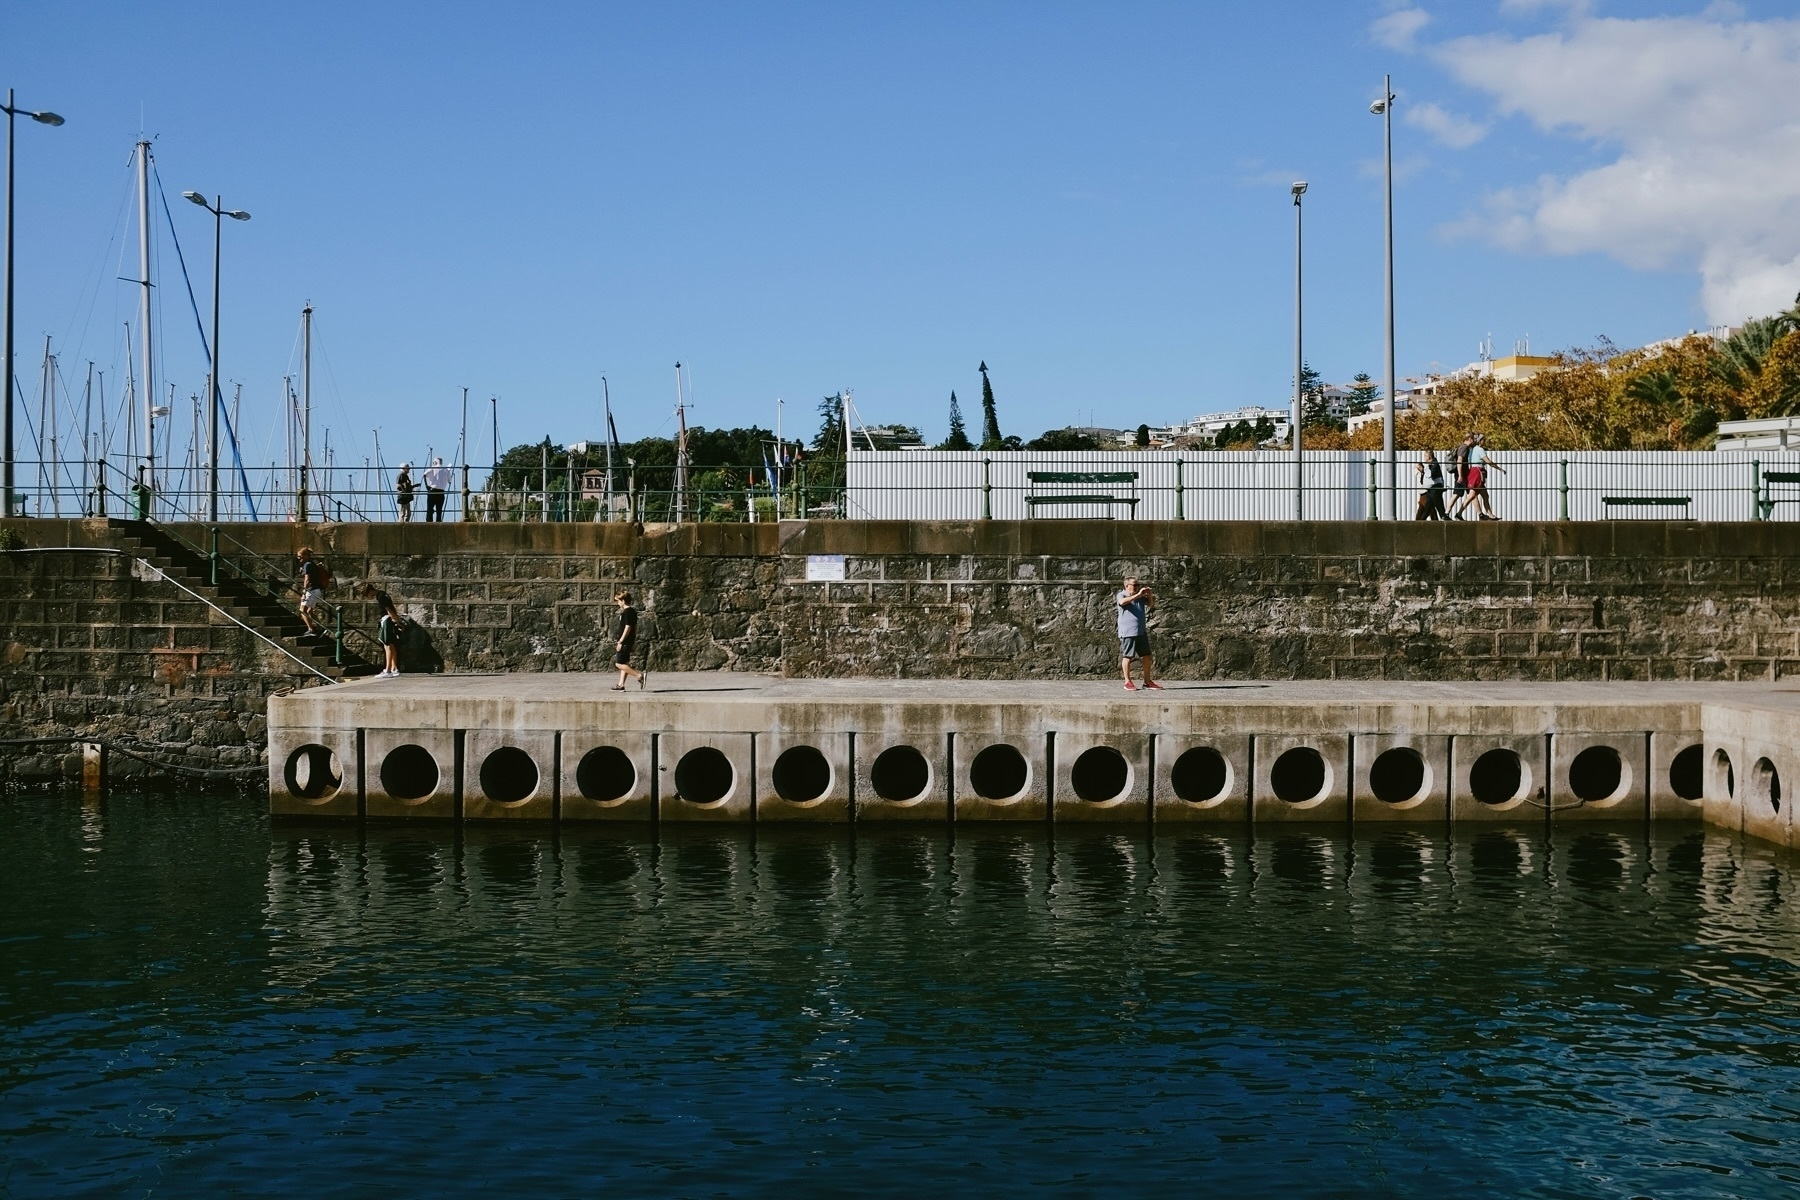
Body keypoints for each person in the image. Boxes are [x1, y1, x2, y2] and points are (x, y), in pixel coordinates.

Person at [1116, 576, 1160, 691]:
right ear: (1127, 586)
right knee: (1128, 656)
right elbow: (1122, 602)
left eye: (1138, 585)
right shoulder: (1122, 595)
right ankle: (1127, 681)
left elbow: (1150, 604)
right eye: (1134, 585)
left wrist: (1149, 594)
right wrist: (1138, 595)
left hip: (1140, 631)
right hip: (1128, 632)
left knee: (1147, 656)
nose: (1137, 587)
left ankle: (1147, 681)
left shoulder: (1140, 597)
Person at [611, 590, 647, 691]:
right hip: (629, 641)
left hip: (625, 642)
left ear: (623, 600)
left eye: (618, 601)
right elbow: (635, 628)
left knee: (618, 664)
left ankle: (639, 676)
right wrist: (633, 641)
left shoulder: (627, 612)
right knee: (625, 662)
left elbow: (628, 628)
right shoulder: (632, 611)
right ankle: (621, 685)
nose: (618, 603)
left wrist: (620, 642)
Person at [1469, 434, 1507, 520]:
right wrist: (1499, 469)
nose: (1485, 441)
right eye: (1483, 440)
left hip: (1474, 473)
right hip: (1478, 474)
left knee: (1484, 495)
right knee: (1473, 495)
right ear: (1480, 441)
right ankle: (1462, 513)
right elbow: (1488, 461)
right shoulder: (1480, 450)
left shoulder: (1473, 450)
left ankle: (1489, 514)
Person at [296, 547, 329, 639]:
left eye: (300, 556)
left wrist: (304, 592)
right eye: (298, 556)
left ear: (306, 556)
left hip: (311, 590)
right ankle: (321, 627)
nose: (299, 558)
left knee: (302, 610)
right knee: (309, 610)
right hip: (317, 590)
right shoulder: (312, 564)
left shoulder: (307, 565)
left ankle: (311, 630)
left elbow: (307, 580)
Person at [373, 591, 405, 678]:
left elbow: (388, 609)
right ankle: (394, 668)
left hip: (386, 620)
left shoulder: (380, 597)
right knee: (391, 644)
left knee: (387, 645)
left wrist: (397, 621)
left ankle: (388, 670)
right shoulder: (383, 594)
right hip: (389, 620)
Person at [1448, 434, 1478, 519]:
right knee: (1459, 494)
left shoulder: (1462, 447)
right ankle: (1447, 513)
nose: (1474, 440)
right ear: (1469, 439)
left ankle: (1451, 513)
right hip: (1462, 475)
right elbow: (1459, 460)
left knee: (1471, 494)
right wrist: (1460, 475)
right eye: (1473, 439)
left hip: (1464, 474)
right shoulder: (1464, 448)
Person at [1414, 450, 1447, 520]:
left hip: (1435, 488)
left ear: (1428, 457)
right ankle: (1422, 521)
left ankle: (1443, 517)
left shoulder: (1434, 464)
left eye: (1425, 456)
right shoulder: (1430, 464)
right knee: (1428, 508)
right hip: (1432, 489)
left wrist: (1425, 471)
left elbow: (1431, 475)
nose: (1424, 458)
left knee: (1436, 507)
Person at [423, 456, 453, 522]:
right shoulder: (446, 470)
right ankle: (438, 522)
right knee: (439, 510)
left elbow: (424, 475)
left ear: (435, 462)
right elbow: (450, 481)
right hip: (441, 491)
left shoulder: (432, 468)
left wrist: (426, 485)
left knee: (430, 509)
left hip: (432, 490)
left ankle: (429, 522)